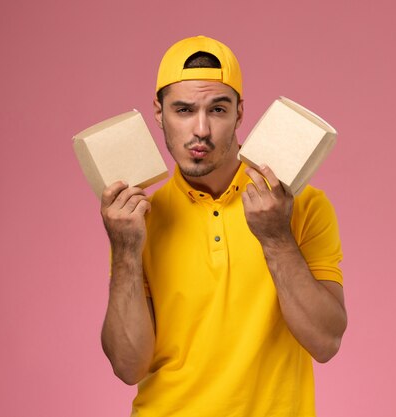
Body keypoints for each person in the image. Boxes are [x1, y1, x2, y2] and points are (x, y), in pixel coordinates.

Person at [99, 35, 347, 416]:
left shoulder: (303, 205)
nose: (201, 130)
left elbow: (326, 341)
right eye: (183, 110)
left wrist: (277, 238)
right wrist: (126, 250)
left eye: (217, 110)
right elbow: (128, 366)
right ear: (158, 111)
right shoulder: (139, 216)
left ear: (240, 112)